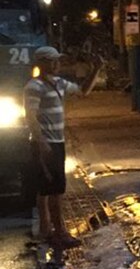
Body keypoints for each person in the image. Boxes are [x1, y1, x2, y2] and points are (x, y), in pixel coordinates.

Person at [24, 46, 104, 247]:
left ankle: (46, 229)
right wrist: (41, 141)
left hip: (57, 142)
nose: (57, 64)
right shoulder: (34, 87)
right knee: (55, 189)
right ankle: (59, 232)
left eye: (57, 60)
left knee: (47, 188)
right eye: (53, 61)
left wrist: (96, 69)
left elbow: (83, 91)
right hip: (46, 144)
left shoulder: (59, 83)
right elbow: (31, 116)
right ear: (41, 63)